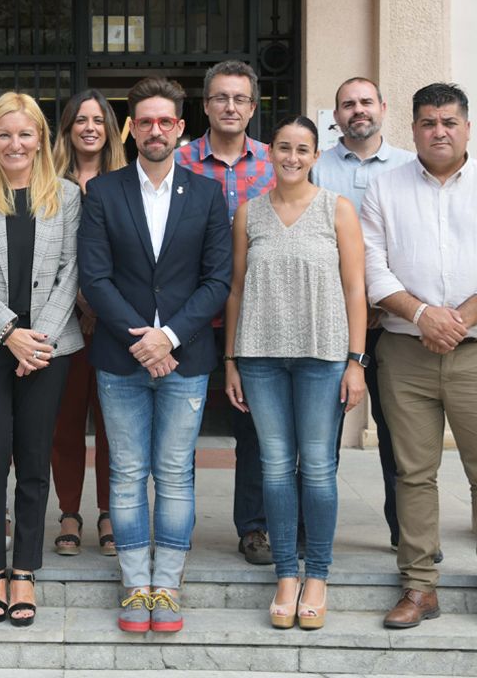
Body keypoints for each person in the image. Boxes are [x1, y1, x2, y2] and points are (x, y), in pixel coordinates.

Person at [362, 83, 477, 636]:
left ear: (467, 127)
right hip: (405, 353)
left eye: (449, 122)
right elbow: (372, 268)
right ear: (411, 129)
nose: (439, 131)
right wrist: (421, 316)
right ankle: (418, 585)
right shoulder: (383, 189)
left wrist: (454, 319)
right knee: (413, 473)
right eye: (429, 122)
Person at [79, 77, 232, 634]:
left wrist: (168, 339)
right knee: (125, 474)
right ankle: (133, 583)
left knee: (173, 475)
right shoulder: (104, 192)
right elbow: (94, 279)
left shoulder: (208, 194)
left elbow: (217, 280)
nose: (155, 130)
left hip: (184, 360)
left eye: (165, 121)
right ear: (132, 128)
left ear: (181, 128)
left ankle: (165, 585)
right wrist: (140, 338)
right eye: (145, 121)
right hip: (121, 361)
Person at [223, 115, 368, 631]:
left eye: (302, 149)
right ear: (270, 153)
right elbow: (236, 289)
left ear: (315, 155)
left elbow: (355, 289)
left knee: (319, 469)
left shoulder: (338, 209)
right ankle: (287, 575)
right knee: (275, 468)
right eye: (282, 147)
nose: (291, 157)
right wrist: (231, 360)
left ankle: (318, 576)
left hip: (322, 356)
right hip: (260, 356)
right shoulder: (249, 214)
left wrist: (356, 361)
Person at [0, 92, 83, 627]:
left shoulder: (66, 196)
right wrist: (10, 333)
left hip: (49, 347)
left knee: (33, 456)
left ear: (42, 139)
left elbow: (71, 272)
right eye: (4, 134)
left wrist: (37, 338)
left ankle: (24, 568)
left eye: (25, 134)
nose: (15, 143)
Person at [310, 77, 420, 557]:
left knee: (400, 436)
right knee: (321, 438)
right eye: (348, 104)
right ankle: (313, 534)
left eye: (366, 102)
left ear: (383, 107)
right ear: (335, 115)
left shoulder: (410, 167)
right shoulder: (316, 169)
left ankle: (408, 533)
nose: (358, 110)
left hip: (394, 325)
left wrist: (387, 302)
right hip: (330, 323)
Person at [174, 59, 275, 566]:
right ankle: (179, 526)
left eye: (239, 98)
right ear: (206, 105)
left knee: (251, 426)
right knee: (181, 427)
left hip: (255, 315)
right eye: (220, 97)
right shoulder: (180, 161)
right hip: (190, 314)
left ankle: (254, 527)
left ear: (253, 107)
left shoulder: (277, 163)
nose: (230, 106)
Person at [49, 89, 126, 557]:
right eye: (80, 120)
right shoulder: (48, 182)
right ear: (68, 129)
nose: (90, 127)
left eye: (98, 120)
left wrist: (103, 305)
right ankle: (70, 512)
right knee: (65, 423)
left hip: (115, 321)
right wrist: (78, 302)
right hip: (62, 321)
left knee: (116, 425)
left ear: (110, 129)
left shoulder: (127, 182)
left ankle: (110, 511)